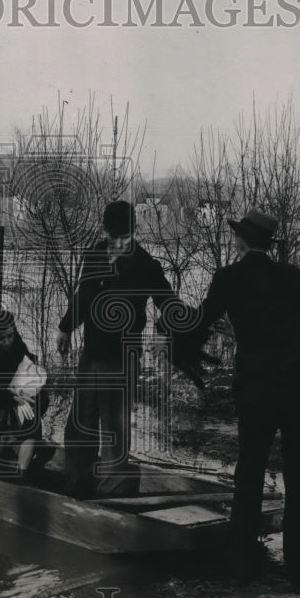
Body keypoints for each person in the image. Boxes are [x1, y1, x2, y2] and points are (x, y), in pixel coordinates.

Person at [191, 208, 300, 589]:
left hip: (259, 384)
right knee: (299, 473)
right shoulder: (294, 277)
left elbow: (200, 320)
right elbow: (274, 319)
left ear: (241, 240)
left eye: (235, 236)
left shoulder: (228, 278)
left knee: (249, 470)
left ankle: (243, 569)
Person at [57, 200, 184, 498]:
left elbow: (169, 304)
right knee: (80, 423)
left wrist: (167, 332)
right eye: (113, 238)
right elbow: (83, 298)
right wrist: (65, 327)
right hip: (91, 355)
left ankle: (110, 495)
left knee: (114, 430)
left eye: (124, 239)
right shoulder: (94, 256)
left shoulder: (146, 265)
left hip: (122, 358)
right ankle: (76, 487)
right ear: (105, 232)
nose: (118, 245)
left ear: (134, 233)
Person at [0, 309, 52, 477]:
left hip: (15, 404)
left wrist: (37, 398)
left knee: (32, 418)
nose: (7, 342)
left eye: (10, 336)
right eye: (1, 338)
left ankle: (21, 472)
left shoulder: (20, 349)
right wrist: (15, 398)